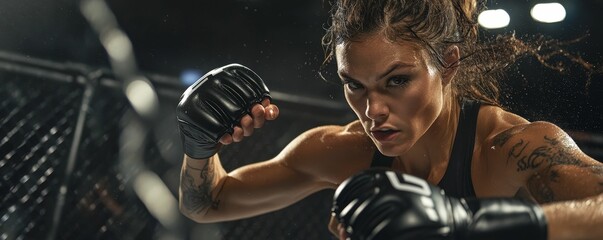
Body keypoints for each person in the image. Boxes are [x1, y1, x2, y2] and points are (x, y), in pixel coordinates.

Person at [176, 0, 603, 239]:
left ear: (448, 64)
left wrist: (476, 227)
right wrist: (199, 149)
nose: (372, 110)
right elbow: (208, 203)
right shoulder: (343, 152)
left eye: (397, 80)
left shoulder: (511, 148)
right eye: (355, 85)